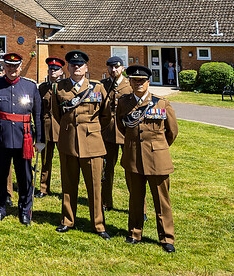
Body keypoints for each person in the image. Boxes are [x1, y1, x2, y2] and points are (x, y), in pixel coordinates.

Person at [116, 65, 178, 253]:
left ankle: (167, 238)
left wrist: (158, 147)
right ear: (130, 82)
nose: (138, 84)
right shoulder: (124, 103)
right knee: (135, 198)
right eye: (135, 80)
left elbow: (172, 131)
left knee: (162, 200)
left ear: (148, 82)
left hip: (157, 158)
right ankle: (135, 233)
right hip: (133, 156)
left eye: (142, 80)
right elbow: (121, 126)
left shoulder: (161, 103)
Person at [53, 50, 111, 239]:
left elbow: (106, 115)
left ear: (86, 67)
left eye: (80, 65)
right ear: (68, 67)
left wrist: (90, 130)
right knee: (68, 184)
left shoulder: (97, 88)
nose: (76, 67)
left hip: (92, 142)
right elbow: (56, 113)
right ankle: (67, 220)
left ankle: (98, 224)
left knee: (95, 186)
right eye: (73, 65)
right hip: (68, 142)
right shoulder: (59, 87)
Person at [0, 52, 43, 225]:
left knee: (25, 177)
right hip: (1, 138)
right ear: (4, 67)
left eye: (15, 66)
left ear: (21, 67)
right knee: (0, 175)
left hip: (24, 139)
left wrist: (40, 139)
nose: (12, 69)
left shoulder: (30, 87)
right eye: (9, 66)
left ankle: (24, 210)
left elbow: (38, 115)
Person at [102, 55, 131, 211]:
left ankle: (139, 206)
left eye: (117, 67)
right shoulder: (103, 85)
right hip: (107, 133)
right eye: (111, 67)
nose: (113, 70)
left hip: (126, 132)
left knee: (132, 170)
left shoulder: (130, 85)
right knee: (107, 169)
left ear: (122, 68)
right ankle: (106, 202)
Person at [36, 56, 64, 198]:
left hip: (62, 128)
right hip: (46, 127)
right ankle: (43, 188)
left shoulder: (65, 86)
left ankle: (66, 189)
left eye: (56, 69)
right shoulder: (42, 87)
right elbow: (39, 109)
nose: (53, 71)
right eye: (51, 69)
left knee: (65, 160)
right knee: (45, 160)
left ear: (61, 71)